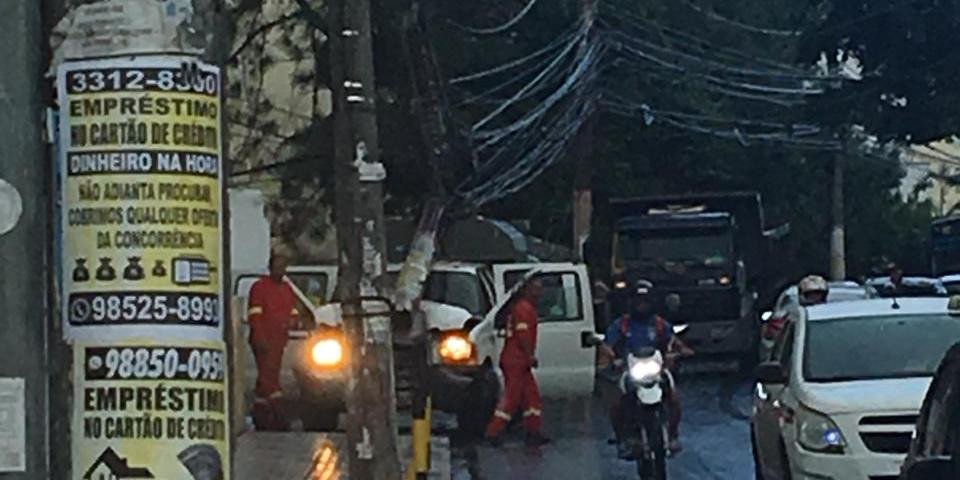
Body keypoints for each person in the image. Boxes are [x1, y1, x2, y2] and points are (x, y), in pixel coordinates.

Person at [599, 280, 694, 456]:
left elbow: (673, 340)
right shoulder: (622, 324)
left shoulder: (659, 324)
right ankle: (623, 438)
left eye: (645, 301)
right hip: (630, 371)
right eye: (638, 301)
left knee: (674, 399)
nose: (642, 305)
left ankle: (672, 435)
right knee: (617, 403)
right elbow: (607, 345)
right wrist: (610, 358)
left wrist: (682, 351)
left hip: (657, 370)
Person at [485, 278, 550, 447]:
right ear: (527, 290)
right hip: (516, 360)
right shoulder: (524, 309)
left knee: (531, 397)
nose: (539, 293)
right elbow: (523, 335)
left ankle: (533, 431)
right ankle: (493, 431)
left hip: (518, 361)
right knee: (512, 398)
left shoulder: (522, 308)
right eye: (536, 289)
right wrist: (530, 356)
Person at [248, 253, 301, 431]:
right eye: (278, 265)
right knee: (269, 378)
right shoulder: (259, 287)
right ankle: (279, 417)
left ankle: (261, 416)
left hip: (279, 340)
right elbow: (255, 316)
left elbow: (293, 310)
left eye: (284, 266)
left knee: (266, 380)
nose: (281, 269)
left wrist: (293, 320)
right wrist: (259, 338)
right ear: (270, 267)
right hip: (263, 340)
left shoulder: (287, 289)